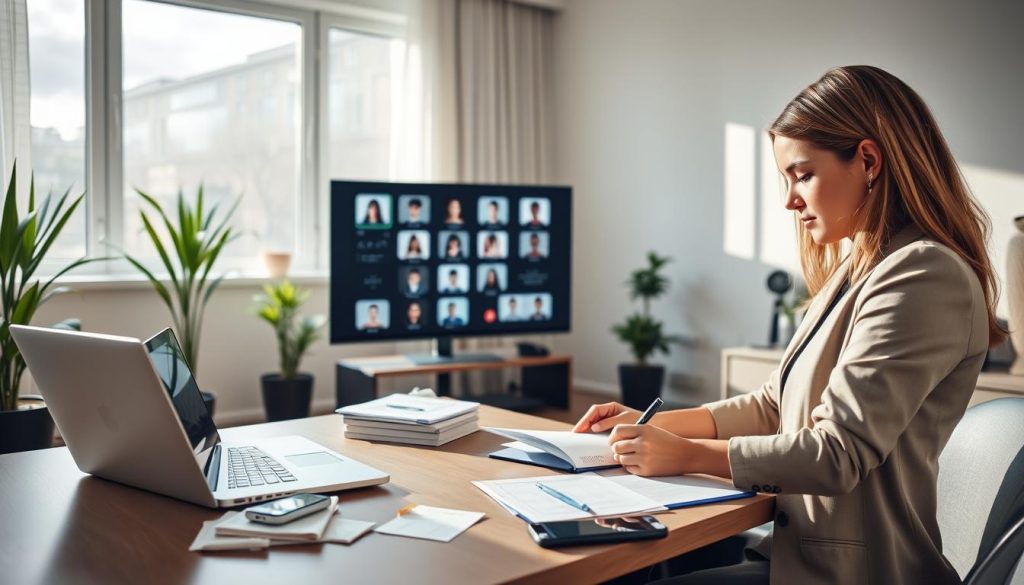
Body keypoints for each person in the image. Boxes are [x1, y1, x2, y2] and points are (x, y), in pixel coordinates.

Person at [574, 66, 1004, 585]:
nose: (789, 200)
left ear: (868, 160)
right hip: (796, 553)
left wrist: (689, 456)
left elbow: (837, 453)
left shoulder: (923, 274)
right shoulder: (859, 267)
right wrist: (661, 425)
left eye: (802, 175)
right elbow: (773, 406)